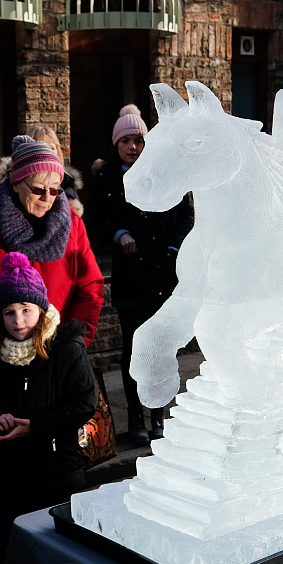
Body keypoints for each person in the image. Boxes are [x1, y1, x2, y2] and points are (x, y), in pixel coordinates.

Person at [0, 135, 104, 450]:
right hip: (2, 357)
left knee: (56, 438)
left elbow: (90, 286)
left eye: (56, 189)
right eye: (38, 189)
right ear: (17, 183)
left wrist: (73, 339)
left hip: (55, 354)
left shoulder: (72, 225)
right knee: (4, 443)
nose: (48, 197)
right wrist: (4, 328)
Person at [0, 252, 97, 564]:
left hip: (55, 468)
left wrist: (34, 425)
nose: (18, 322)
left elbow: (84, 404)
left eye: (26, 310)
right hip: (7, 472)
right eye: (9, 312)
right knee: (11, 551)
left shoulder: (67, 347)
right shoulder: (0, 350)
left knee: (56, 556)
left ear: (41, 309)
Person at [88, 104, 194, 444]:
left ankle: (158, 418)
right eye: (126, 142)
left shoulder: (165, 172)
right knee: (133, 350)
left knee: (161, 351)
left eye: (138, 140)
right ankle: (135, 418)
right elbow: (95, 222)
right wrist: (119, 234)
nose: (133, 147)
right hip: (131, 279)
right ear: (116, 145)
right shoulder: (107, 179)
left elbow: (185, 216)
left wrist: (174, 249)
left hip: (163, 277)